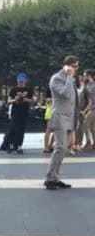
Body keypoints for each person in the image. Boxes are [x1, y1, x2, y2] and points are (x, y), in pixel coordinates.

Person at [45, 55, 79, 190]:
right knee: (60, 148)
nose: (77, 69)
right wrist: (70, 77)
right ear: (69, 66)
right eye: (75, 66)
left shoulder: (69, 79)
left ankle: (55, 177)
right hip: (59, 117)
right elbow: (65, 94)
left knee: (63, 148)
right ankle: (49, 178)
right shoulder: (57, 78)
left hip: (69, 117)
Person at [6, 73, 33, 154]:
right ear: (17, 81)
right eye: (20, 81)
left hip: (24, 112)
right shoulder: (13, 90)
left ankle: (19, 146)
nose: (21, 83)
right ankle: (11, 145)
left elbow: (33, 101)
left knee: (21, 130)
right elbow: (8, 101)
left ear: (25, 81)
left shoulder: (29, 90)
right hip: (15, 112)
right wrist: (15, 99)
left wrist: (27, 100)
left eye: (22, 81)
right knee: (12, 129)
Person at [84, 70, 95, 150]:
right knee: (92, 127)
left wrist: (85, 110)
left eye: (85, 75)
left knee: (85, 124)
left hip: (93, 108)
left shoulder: (92, 86)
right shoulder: (88, 85)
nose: (84, 77)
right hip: (91, 108)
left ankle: (88, 143)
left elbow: (91, 100)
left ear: (89, 76)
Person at [43, 88, 54, 153]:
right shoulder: (50, 89)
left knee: (57, 130)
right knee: (49, 129)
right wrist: (54, 99)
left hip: (58, 111)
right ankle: (46, 146)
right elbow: (47, 100)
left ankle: (50, 145)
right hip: (50, 111)